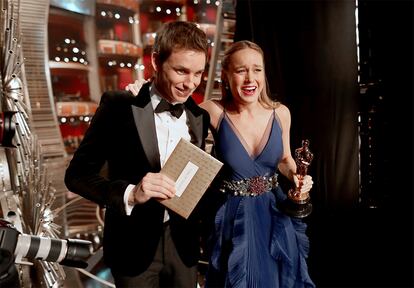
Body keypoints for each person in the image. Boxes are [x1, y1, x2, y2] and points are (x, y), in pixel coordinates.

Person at [126, 40, 315, 287]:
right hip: (233, 219)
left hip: (275, 214)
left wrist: (298, 177)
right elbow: (169, 109)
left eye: (257, 69)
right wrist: (144, 93)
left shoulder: (281, 113)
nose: (250, 78)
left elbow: (285, 160)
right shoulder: (213, 112)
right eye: (241, 70)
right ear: (226, 76)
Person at [64, 21, 211, 288]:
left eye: (199, 73)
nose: (191, 84)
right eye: (181, 71)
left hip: (183, 248)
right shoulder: (119, 106)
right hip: (132, 249)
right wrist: (131, 193)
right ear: (156, 60)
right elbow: (76, 176)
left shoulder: (199, 115)